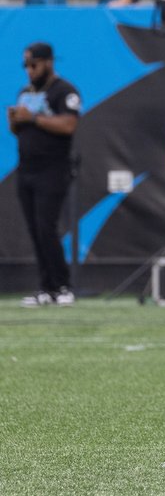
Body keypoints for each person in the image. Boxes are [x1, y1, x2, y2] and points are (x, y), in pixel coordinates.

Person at [8, 43, 80, 307]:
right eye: (26, 66)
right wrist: (16, 121)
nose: (29, 71)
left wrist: (33, 118)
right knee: (35, 230)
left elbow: (69, 125)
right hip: (26, 169)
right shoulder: (25, 92)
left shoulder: (64, 91)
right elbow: (19, 130)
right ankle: (46, 287)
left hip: (53, 169)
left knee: (46, 227)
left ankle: (62, 285)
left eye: (34, 65)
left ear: (48, 62)